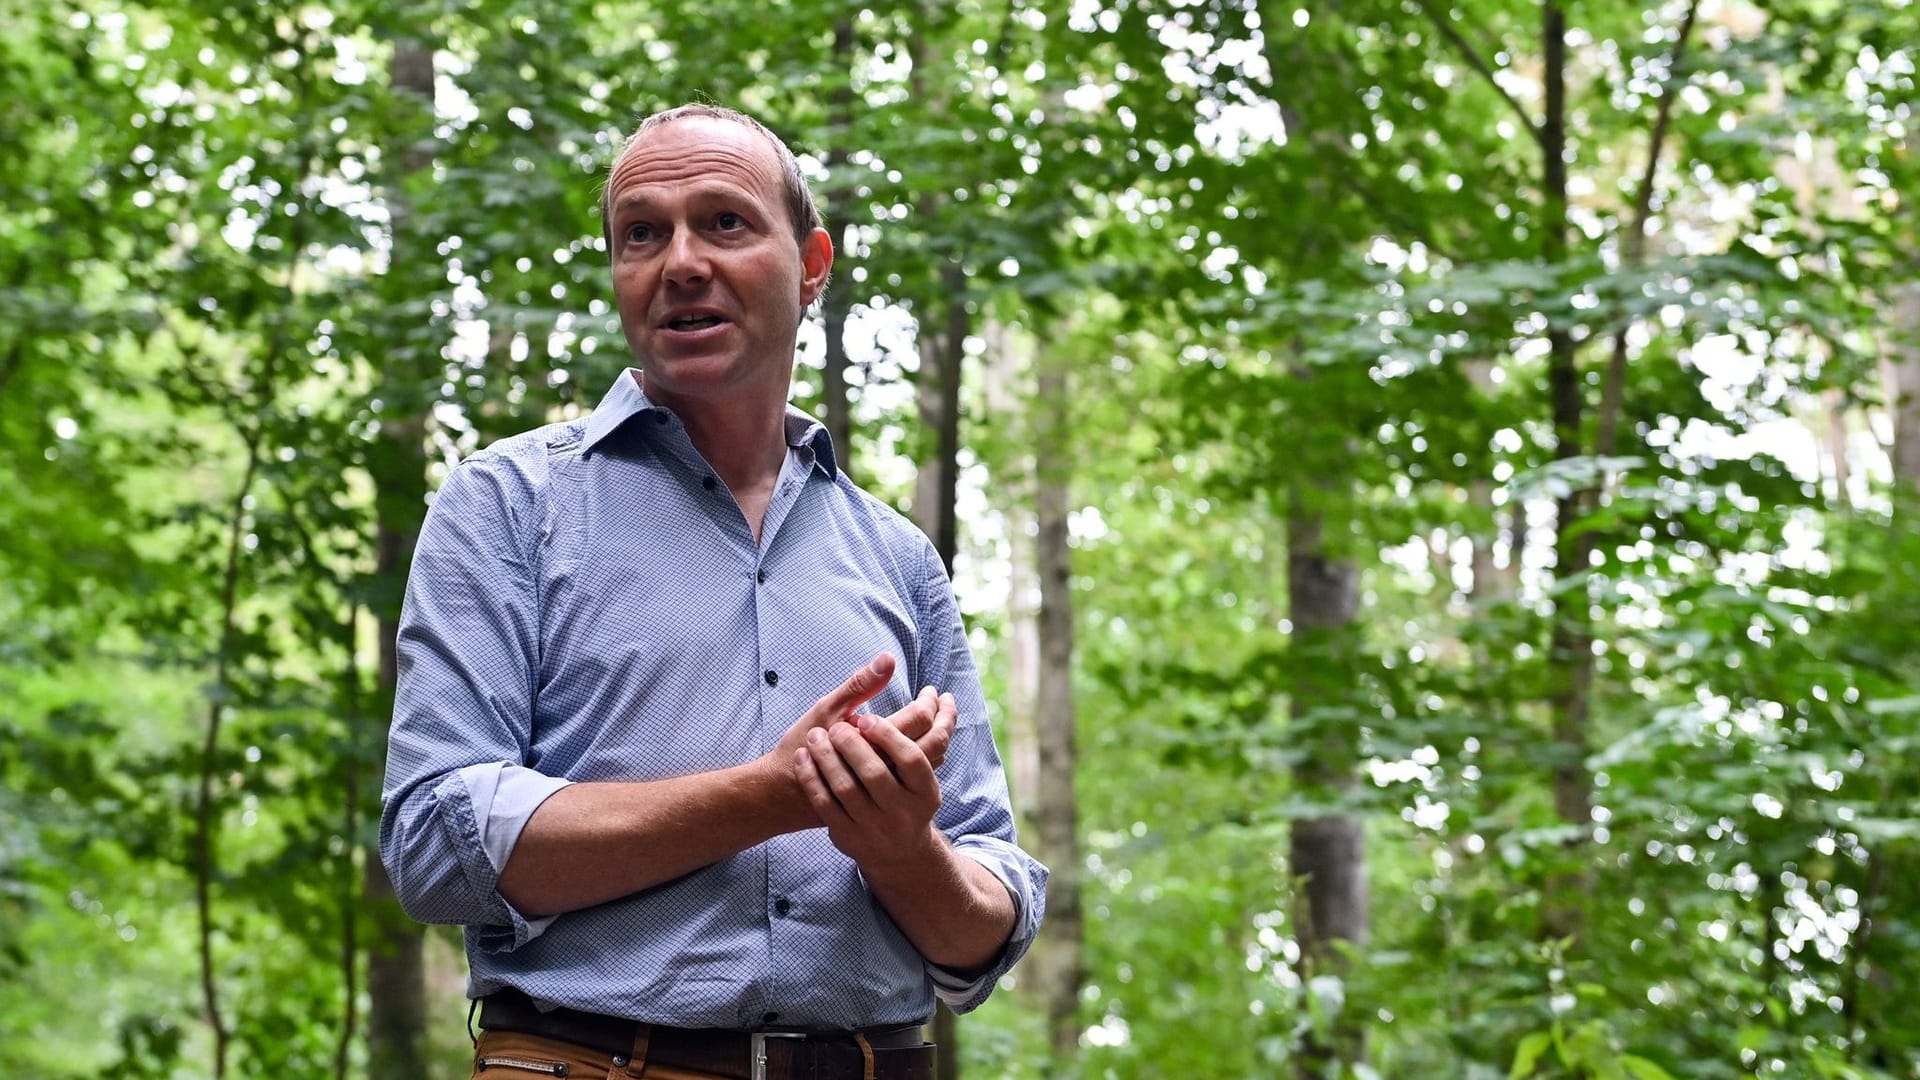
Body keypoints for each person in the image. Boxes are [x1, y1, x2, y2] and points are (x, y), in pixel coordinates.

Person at [379, 103, 1047, 1080]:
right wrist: (772, 796)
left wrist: (904, 849)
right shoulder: (509, 505)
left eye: (725, 222)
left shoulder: (900, 560)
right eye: (641, 234)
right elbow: (437, 839)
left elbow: (985, 925)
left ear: (812, 264)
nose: (680, 260)